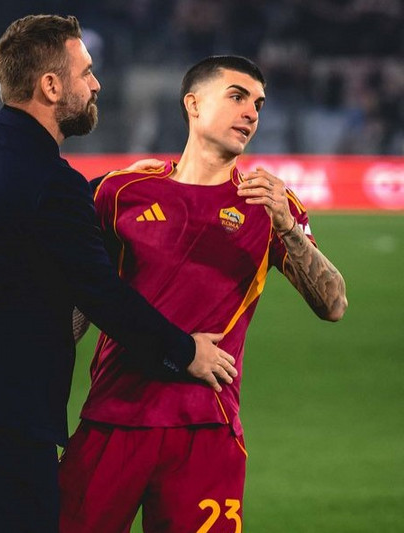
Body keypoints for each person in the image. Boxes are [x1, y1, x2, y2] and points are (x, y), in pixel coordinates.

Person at [0, 15, 234, 533]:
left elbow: (29, 216)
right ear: (51, 86)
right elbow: (102, 295)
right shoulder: (50, 182)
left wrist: (102, 187)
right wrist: (187, 351)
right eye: (86, 73)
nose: (96, 85)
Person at [59, 55, 348, 532]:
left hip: (206, 425)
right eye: (237, 97)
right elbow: (82, 303)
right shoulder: (122, 192)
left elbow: (333, 305)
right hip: (113, 416)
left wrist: (287, 227)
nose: (251, 112)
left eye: (258, 104)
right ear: (193, 104)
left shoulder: (269, 204)